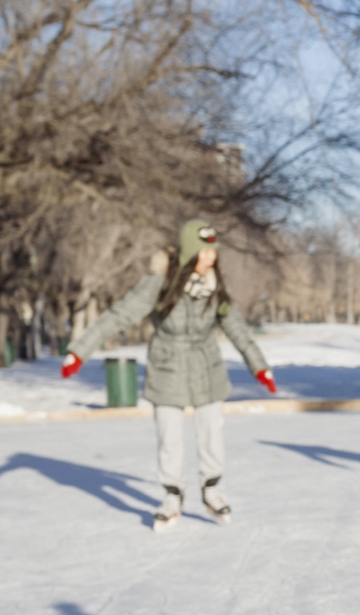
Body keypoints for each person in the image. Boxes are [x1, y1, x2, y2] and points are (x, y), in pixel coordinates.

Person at [63, 219, 275, 530]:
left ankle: (212, 489)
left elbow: (236, 327)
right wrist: (80, 350)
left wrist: (259, 365)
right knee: (169, 438)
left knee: (211, 433)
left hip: (206, 366)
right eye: (204, 252)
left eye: (213, 252)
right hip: (168, 365)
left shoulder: (216, 285)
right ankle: (172, 495)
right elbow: (120, 314)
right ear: (190, 252)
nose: (210, 258)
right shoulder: (160, 282)